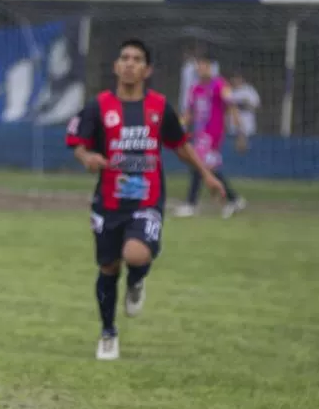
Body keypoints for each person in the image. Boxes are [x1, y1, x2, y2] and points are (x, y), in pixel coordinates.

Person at [66, 39, 226, 361]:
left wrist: (206, 174)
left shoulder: (158, 107)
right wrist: (86, 157)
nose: (129, 63)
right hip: (108, 201)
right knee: (109, 266)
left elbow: (179, 144)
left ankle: (137, 280)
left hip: (147, 199)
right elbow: (78, 142)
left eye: (137, 59)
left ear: (147, 69)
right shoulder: (99, 106)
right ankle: (108, 332)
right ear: (115, 66)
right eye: (124, 57)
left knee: (136, 254)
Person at [176, 55, 247, 219]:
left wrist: (240, 132)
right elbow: (188, 113)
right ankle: (233, 199)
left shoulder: (220, 85)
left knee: (198, 164)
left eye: (204, 66)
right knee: (208, 168)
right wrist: (179, 126)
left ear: (211, 67)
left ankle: (191, 204)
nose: (201, 69)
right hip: (200, 134)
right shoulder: (194, 88)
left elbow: (232, 107)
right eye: (199, 66)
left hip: (213, 133)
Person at [227, 71, 260, 153]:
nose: (235, 80)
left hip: (248, 127)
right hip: (232, 128)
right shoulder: (228, 90)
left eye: (237, 78)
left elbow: (256, 106)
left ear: (241, 79)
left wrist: (242, 104)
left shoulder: (249, 90)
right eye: (233, 78)